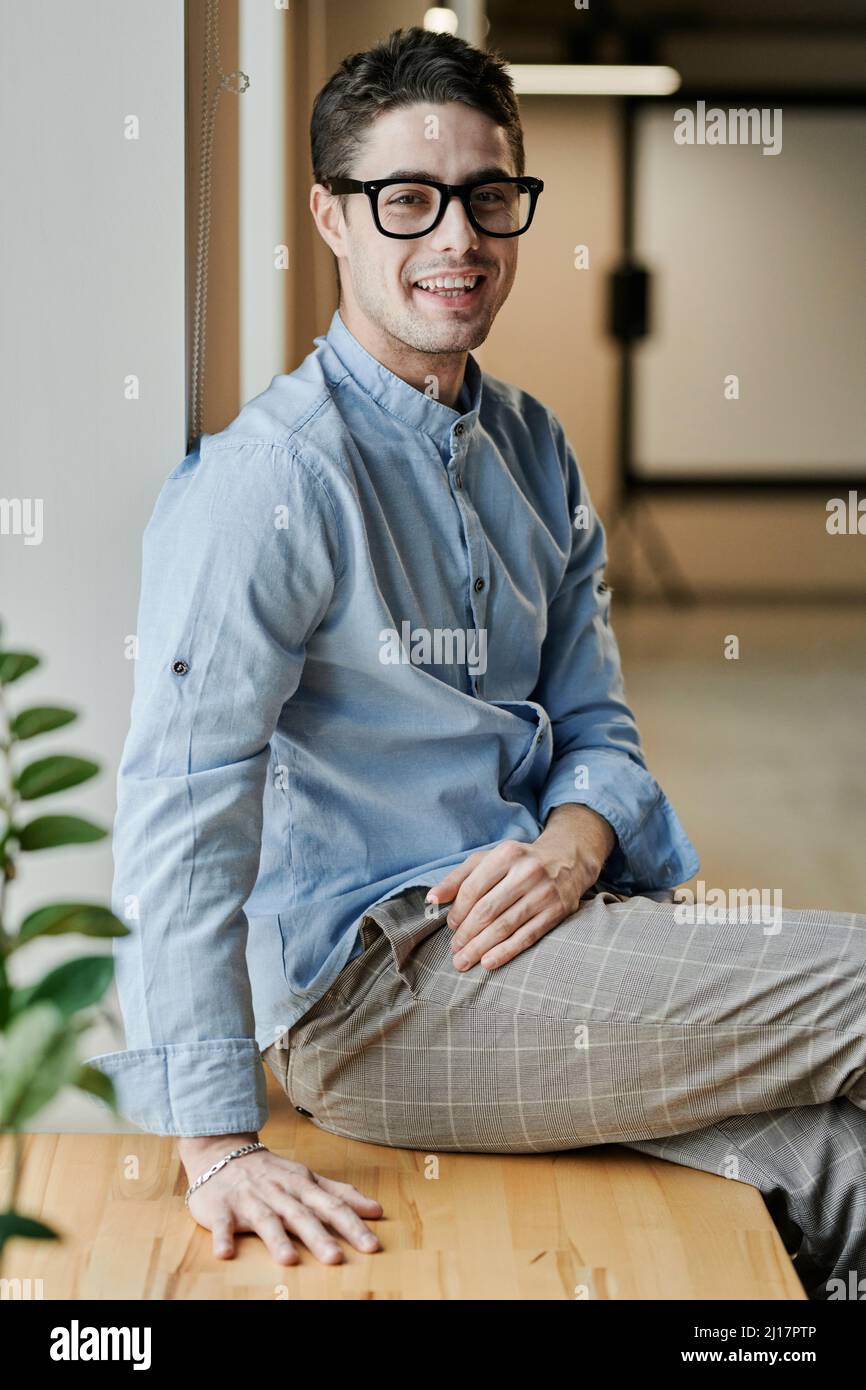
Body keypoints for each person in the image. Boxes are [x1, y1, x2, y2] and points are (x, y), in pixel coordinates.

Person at [89, 27, 866, 1297]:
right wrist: (217, 1140)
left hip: (545, 929)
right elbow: (182, 810)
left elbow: (598, 727)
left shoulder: (530, 444)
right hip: (376, 998)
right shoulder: (265, 484)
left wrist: (570, 844)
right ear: (331, 219)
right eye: (407, 199)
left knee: (839, 1169)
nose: (455, 237)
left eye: (486, 197)